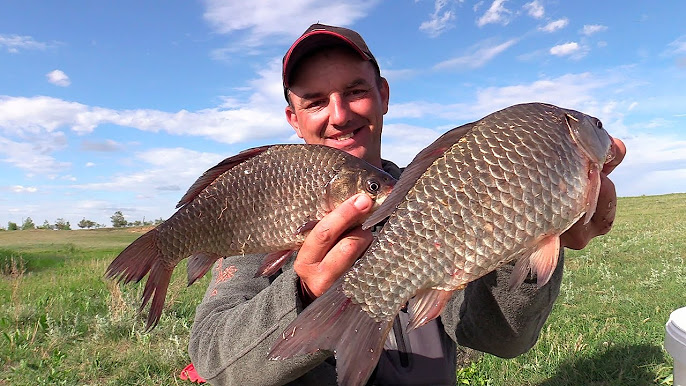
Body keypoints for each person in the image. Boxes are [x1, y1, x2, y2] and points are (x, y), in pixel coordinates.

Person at [188, 23, 626, 385]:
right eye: (316, 101)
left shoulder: (437, 195)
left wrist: (529, 241)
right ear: (293, 119)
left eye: (354, 90)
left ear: (383, 95)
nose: (339, 114)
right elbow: (214, 357)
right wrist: (303, 293)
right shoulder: (265, 208)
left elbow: (501, 338)